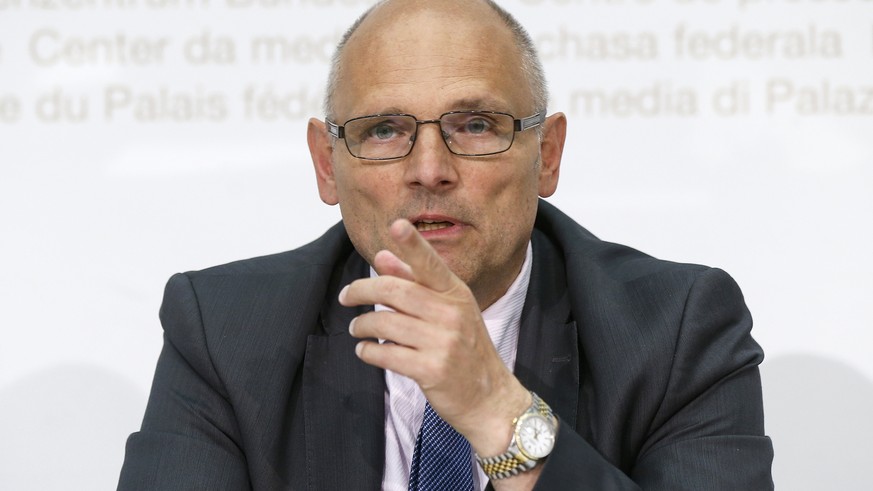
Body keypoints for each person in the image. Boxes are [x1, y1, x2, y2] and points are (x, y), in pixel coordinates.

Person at [118, 0, 774, 489]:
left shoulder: (676, 328)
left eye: (475, 124)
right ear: (326, 164)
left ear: (546, 155)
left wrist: (496, 408)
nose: (428, 167)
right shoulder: (224, 330)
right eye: (382, 130)